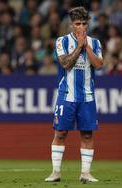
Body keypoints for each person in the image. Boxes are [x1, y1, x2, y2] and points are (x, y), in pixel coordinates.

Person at [45, 6, 103, 183]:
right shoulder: (61, 42)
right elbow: (65, 64)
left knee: (87, 134)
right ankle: (56, 172)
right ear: (71, 25)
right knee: (61, 132)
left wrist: (86, 47)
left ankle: (85, 173)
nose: (82, 27)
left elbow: (99, 65)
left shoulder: (95, 43)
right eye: (78, 23)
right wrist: (79, 46)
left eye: (84, 23)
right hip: (66, 95)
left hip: (87, 97)